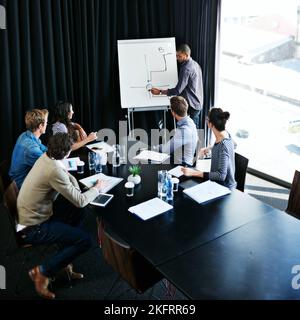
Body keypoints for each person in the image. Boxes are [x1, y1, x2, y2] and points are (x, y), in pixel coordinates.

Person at [17, 133, 106, 299]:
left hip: (32, 215)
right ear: (67, 153)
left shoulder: (47, 157)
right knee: (85, 240)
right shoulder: (53, 170)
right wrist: (97, 188)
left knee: (77, 211)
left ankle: (64, 262)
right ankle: (42, 272)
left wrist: (77, 188)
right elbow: (80, 200)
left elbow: (66, 175)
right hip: (32, 228)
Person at [181, 108, 237, 190]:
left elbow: (221, 175)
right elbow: (234, 145)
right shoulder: (225, 134)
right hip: (217, 183)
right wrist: (211, 148)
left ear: (210, 124)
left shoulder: (223, 144)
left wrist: (194, 173)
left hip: (223, 188)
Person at [151, 44, 203, 128]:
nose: (177, 58)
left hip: (191, 104)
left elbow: (177, 90)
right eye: (176, 55)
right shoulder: (195, 64)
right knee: (193, 131)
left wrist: (160, 92)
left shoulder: (186, 68)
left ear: (186, 55)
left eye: (179, 56)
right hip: (197, 102)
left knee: (191, 132)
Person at [9, 109, 48, 189]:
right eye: (46, 123)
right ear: (40, 126)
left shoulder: (25, 135)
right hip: (20, 185)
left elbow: (45, 150)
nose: (47, 125)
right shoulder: (31, 149)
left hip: (17, 180)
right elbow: (47, 165)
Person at [155, 96, 197, 166]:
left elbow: (166, 150)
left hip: (182, 166)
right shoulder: (190, 121)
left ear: (173, 112)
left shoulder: (183, 131)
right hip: (184, 160)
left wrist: (153, 148)